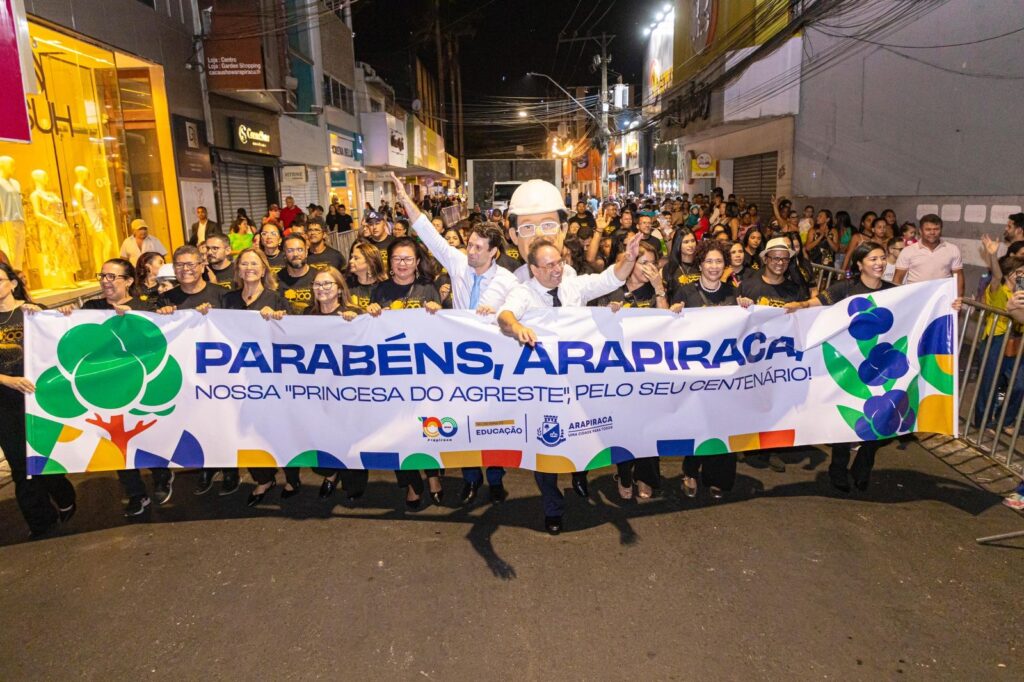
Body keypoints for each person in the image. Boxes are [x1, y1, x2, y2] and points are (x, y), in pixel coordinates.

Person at [497, 233, 642, 535]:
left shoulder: (573, 286)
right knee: (544, 448)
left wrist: (628, 257)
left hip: (576, 384)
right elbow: (504, 316)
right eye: (548, 265)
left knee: (580, 434)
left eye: (559, 262)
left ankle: (579, 474)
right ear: (534, 269)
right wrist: (518, 326)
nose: (557, 269)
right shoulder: (524, 293)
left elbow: (609, 279)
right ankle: (553, 507)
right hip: (542, 388)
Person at [392, 172, 520, 505]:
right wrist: (406, 201)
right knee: (463, 423)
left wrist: (494, 313)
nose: (470, 250)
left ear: (493, 251)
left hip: (493, 365)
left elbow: (514, 311)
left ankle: (495, 479)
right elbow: (430, 235)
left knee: (493, 424)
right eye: (469, 244)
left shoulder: (507, 280)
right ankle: (470, 479)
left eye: (478, 247)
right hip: (459, 363)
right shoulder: (458, 264)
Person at [68, 258, 171, 516]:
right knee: (117, 443)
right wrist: (64, 315)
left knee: (147, 433)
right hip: (107, 388)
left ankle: (161, 474)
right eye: (102, 276)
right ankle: (136, 493)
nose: (105, 281)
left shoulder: (145, 306)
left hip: (142, 385)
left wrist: (151, 317)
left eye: (112, 277)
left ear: (128, 281)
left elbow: (161, 339)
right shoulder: (91, 308)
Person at [0, 262, 77, 538]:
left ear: (12, 283)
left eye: (0, 280)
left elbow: (62, 341)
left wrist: (59, 315)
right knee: (21, 465)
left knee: (46, 457)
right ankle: (41, 522)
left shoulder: (33, 312)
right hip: (5, 402)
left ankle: (63, 493)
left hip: (39, 397)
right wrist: (7, 380)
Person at [368, 237, 445, 509]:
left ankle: (434, 476)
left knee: (428, 428)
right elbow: (370, 333)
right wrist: (371, 312)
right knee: (397, 432)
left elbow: (443, 330)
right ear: (390, 262)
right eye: (397, 259)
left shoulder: (427, 289)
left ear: (416, 262)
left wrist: (437, 311)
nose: (402, 264)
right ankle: (412, 483)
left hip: (424, 372)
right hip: (392, 374)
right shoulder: (380, 291)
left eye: (408, 259)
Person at [219, 248, 296, 505]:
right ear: (238, 270)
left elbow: (295, 337)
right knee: (246, 430)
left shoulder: (276, 300)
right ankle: (263, 478)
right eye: (244, 264)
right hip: (237, 379)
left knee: (279, 430)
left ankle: (291, 478)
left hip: (273, 379)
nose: (249, 268)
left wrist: (279, 321)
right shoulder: (227, 300)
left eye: (254, 264)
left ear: (264, 269)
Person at [155, 246, 234, 495]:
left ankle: (231, 470)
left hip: (219, 374)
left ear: (202, 266)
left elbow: (238, 329)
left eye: (191, 264)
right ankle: (207, 467)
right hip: (185, 375)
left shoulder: (222, 295)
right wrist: (163, 316)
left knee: (222, 423)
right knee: (197, 423)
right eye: (179, 265)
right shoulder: (168, 299)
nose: (185, 270)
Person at [670, 241, 739, 499]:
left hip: (724, 375)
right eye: (708, 261)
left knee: (722, 425)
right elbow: (671, 330)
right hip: (695, 375)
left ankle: (717, 476)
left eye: (718, 262)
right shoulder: (686, 292)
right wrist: (673, 312)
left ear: (725, 266)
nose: (713, 266)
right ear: (700, 265)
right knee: (696, 424)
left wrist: (746, 307)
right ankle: (690, 471)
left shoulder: (733, 294)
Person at [738, 237, 809, 473]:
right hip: (751, 357)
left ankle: (771, 449)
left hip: (781, 358)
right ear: (765, 259)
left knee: (775, 403)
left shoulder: (795, 289)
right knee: (748, 400)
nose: (779, 263)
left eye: (784, 259)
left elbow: (807, 318)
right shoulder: (749, 285)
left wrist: (803, 307)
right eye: (775, 258)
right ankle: (743, 442)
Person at [306, 266, 370, 500]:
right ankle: (331, 473)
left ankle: (352, 482)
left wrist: (358, 321)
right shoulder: (306, 316)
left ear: (339, 289)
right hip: (318, 391)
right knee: (323, 437)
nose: (321, 289)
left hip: (348, 390)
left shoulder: (353, 313)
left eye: (327, 284)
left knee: (349, 437)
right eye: (317, 284)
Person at [973, 237, 1024, 431]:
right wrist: (993, 255)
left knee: (1019, 385)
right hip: (996, 340)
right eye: (1020, 274)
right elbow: (996, 275)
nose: (1023, 278)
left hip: (1018, 342)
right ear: (1010, 275)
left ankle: (1006, 420)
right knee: (990, 383)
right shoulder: (998, 288)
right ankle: (983, 421)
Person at [893, 214, 964, 297]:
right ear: (920, 231)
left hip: (942, 300)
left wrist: (958, 299)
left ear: (941, 230)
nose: (932, 232)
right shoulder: (908, 251)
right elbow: (897, 279)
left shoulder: (952, 249)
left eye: (936, 229)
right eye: (928, 229)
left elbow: (958, 278)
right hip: (915, 300)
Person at [277, 234, 317, 314]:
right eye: (290, 250)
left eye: (300, 250)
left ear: (306, 252)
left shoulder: (318, 276)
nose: (295, 254)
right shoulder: (276, 279)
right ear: (284, 254)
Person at [662, 228, 700, 301]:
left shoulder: (701, 264)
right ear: (678, 244)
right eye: (686, 242)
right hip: (678, 309)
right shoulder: (669, 267)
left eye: (693, 241)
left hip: (699, 308)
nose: (691, 245)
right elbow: (666, 294)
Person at [347, 241, 386, 310]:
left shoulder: (384, 287)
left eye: (356, 258)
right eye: (351, 257)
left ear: (370, 262)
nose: (351, 261)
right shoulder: (347, 284)